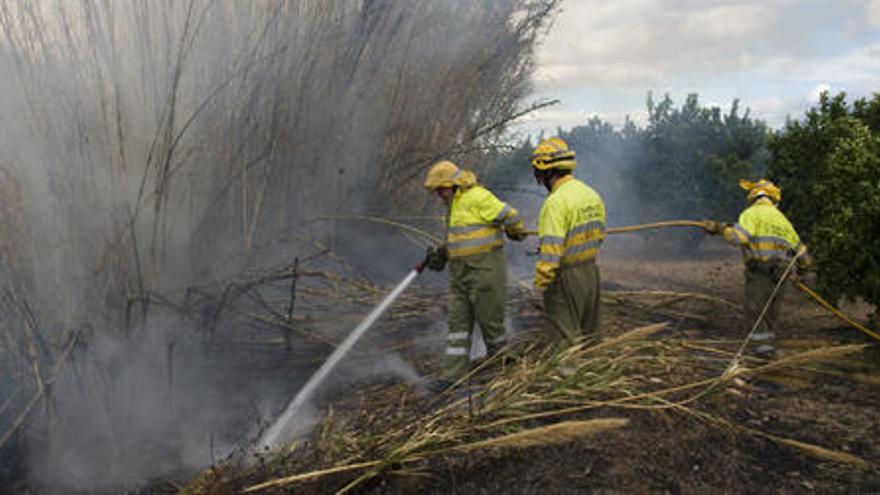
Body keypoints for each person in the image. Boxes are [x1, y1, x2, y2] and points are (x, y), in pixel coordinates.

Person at [423, 160, 526, 385]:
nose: (440, 194)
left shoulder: (478, 197)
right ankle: (453, 376)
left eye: (441, 189)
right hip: (459, 274)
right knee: (457, 324)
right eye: (437, 190)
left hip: (485, 270)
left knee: (491, 324)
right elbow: (459, 239)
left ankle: (508, 371)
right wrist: (441, 254)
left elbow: (511, 215)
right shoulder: (453, 207)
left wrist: (515, 232)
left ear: (454, 184)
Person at [704, 179, 811, 356]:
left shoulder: (752, 213)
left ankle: (763, 355)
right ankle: (768, 350)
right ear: (773, 198)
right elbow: (803, 254)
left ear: (753, 197)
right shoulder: (782, 219)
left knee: (756, 314)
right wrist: (802, 272)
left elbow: (738, 238)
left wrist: (719, 228)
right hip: (780, 276)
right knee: (770, 317)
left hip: (760, 273)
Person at [531, 137, 606, 345]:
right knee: (592, 336)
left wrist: (540, 284)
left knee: (564, 341)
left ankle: (567, 376)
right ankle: (596, 374)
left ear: (546, 171)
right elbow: (599, 235)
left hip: (565, 278)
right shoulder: (590, 194)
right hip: (590, 273)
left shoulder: (554, 203)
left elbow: (551, 253)